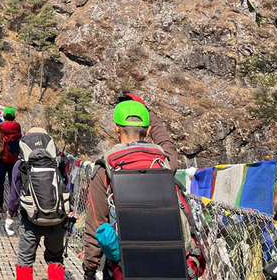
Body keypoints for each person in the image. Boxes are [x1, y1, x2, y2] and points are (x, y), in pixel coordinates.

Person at [83, 97, 202, 280]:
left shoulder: (104, 170)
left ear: (116, 128)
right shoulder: (165, 163)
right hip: (170, 264)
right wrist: (148, 112)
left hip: (125, 267)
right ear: (147, 130)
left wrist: (90, 267)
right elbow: (167, 143)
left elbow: (95, 224)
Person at [7, 127, 69, 280]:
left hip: (30, 219)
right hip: (57, 218)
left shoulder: (21, 164)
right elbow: (65, 187)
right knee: (55, 258)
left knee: (25, 260)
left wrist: (10, 213)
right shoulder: (58, 161)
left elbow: (14, 192)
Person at [0, 107, 22, 211]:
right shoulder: (18, 127)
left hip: (1, 158)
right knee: (14, 182)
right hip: (14, 159)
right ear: (13, 117)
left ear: (4, 116)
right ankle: (14, 206)